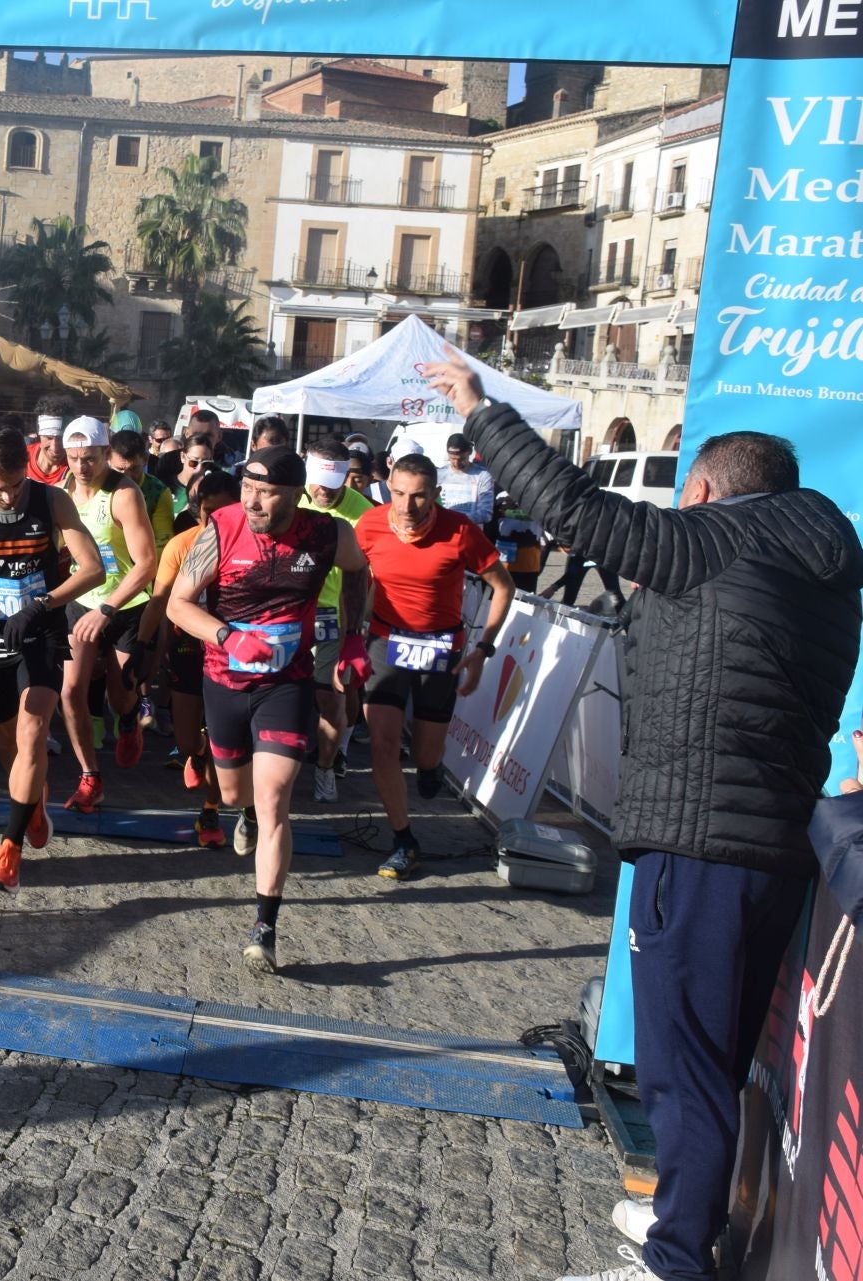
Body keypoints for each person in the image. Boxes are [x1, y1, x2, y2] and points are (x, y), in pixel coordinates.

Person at [424, 360, 863, 1281]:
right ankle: (685, 1210)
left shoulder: (714, 541)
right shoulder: (824, 565)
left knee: (682, 1066)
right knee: (722, 1052)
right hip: (775, 843)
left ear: (701, 490)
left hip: (697, 839)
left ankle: (674, 1261)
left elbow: (573, 507)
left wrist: (476, 408)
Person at [166, 448, 371, 973]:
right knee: (236, 792)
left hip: (287, 682)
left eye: (267, 492)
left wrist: (352, 637)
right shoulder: (221, 529)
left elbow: (357, 571)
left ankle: (265, 926)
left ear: (295, 494)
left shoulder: (327, 534)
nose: (253, 500)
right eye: (248, 488)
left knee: (277, 794)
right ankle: (245, 813)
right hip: (225, 680)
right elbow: (177, 604)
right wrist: (228, 637)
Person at [0, 423, 107, 891]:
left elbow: (93, 569)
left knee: (33, 733)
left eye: (15, 485)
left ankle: (8, 849)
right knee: (9, 745)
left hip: (41, 632)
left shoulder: (52, 500)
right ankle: (32, 805)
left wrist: (41, 605)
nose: (9, 497)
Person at [352, 451, 512, 877]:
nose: (407, 507)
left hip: (441, 648)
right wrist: (352, 634)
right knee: (383, 743)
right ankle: (404, 838)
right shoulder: (369, 524)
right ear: (387, 485)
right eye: (399, 493)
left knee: (425, 752)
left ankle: (429, 767)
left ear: (436, 495)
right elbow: (354, 577)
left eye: (419, 497)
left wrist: (483, 649)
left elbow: (504, 587)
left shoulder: (460, 531)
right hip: (385, 642)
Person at [58, 416, 158, 813]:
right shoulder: (61, 490)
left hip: (125, 604)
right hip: (80, 601)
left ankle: (130, 717)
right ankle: (89, 776)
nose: (82, 467)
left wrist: (108, 606)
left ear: (106, 454)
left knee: (119, 695)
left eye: (91, 459)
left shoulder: (124, 493)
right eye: (74, 458)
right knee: (70, 690)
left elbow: (147, 562)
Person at [137, 467, 241, 846]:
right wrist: (143, 649)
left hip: (232, 656)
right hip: (187, 649)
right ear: (197, 512)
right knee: (186, 741)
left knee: (221, 739)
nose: (217, 519)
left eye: (226, 510)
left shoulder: (252, 543)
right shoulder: (182, 545)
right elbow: (158, 601)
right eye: (208, 511)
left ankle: (209, 813)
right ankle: (193, 753)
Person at [298, 440, 374, 802]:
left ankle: (327, 767)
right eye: (317, 480)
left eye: (334, 481)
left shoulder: (365, 514)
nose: (323, 490)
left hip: (335, 616)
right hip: (291, 611)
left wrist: (357, 630)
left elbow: (371, 574)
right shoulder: (290, 499)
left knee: (331, 698)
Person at [486, 491, 546, 592]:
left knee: (525, 599)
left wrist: (506, 513)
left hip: (528, 558)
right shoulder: (501, 496)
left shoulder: (540, 496)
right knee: (499, 593)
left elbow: (539, 516)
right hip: (503, 557)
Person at [438, 432, 497, 527]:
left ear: (469, 452)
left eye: (461, 459)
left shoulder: (483, 476)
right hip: (443, 530)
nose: (456, 463)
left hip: (469, 532)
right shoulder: (439, 474)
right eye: (452, 458)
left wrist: (454, 520)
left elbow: (486, 514)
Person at [27, 403, 70, 486]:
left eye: (61, 438)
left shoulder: (75, 466)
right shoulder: (22, 457)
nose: (55, 447)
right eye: (49, 437)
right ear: (39, 434)